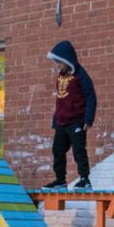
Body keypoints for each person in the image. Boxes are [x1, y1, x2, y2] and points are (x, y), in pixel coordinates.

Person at [43, 40, 96, 190]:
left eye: (60, 62)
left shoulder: (80, 74)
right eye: (56, 62)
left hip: (77, 121)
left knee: (79, 150)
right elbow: (60, 99)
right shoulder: (60, 76)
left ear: (68, 60)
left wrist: (88, 119)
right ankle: (60, 181)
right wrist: (56, 119)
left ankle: (85, 179)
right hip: (61, 122)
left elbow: (91, 95)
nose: (58, 65)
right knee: (57, 150)